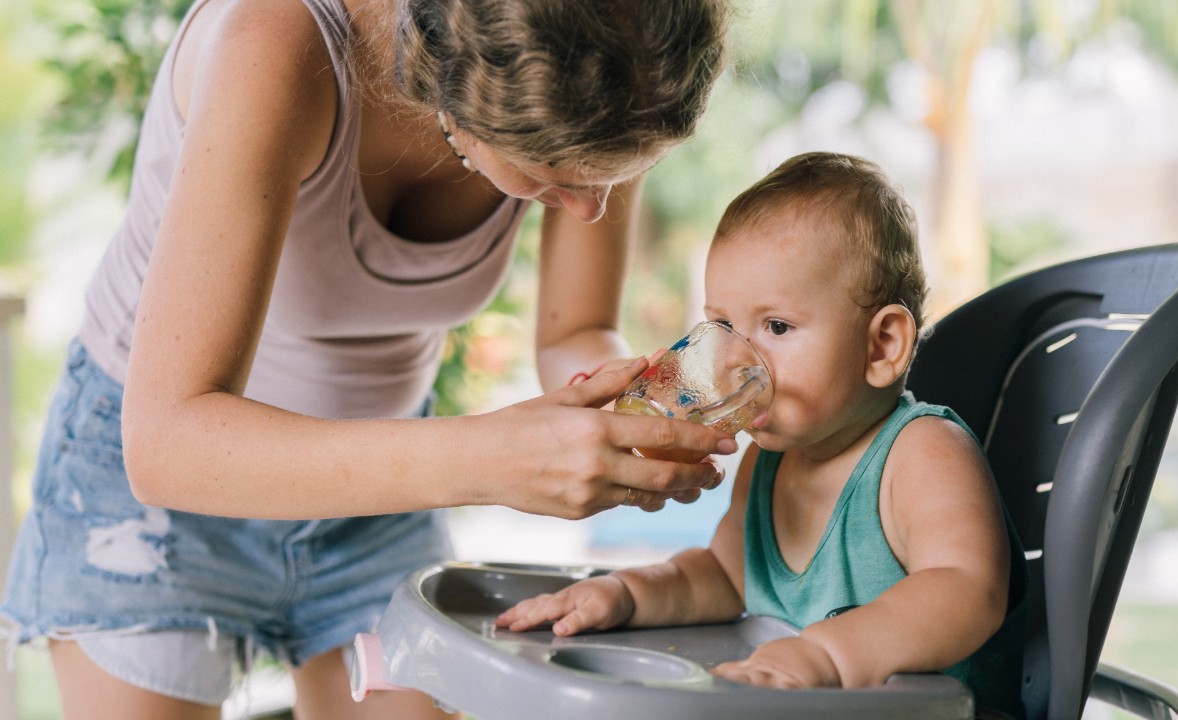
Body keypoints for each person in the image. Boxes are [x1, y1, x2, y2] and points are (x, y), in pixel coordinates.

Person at [0, 0, 735, 718]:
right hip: (158, 500)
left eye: (610, 176)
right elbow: (165, 443)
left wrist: (620, 405)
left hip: (379, 492)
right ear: (458, 78)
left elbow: (575, 329)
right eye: (555, 175)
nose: (590, 208)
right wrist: (494, 460)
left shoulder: (612, 63)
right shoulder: (276, 43)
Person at [496, 152, 1028, 718]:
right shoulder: (768, 463)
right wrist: (626, 594)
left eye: (776, 326)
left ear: (882, 346)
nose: (732, 357)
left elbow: (967, 589)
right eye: (723, 326)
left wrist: (825, 657)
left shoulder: (923, 453)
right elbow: (724, 578)